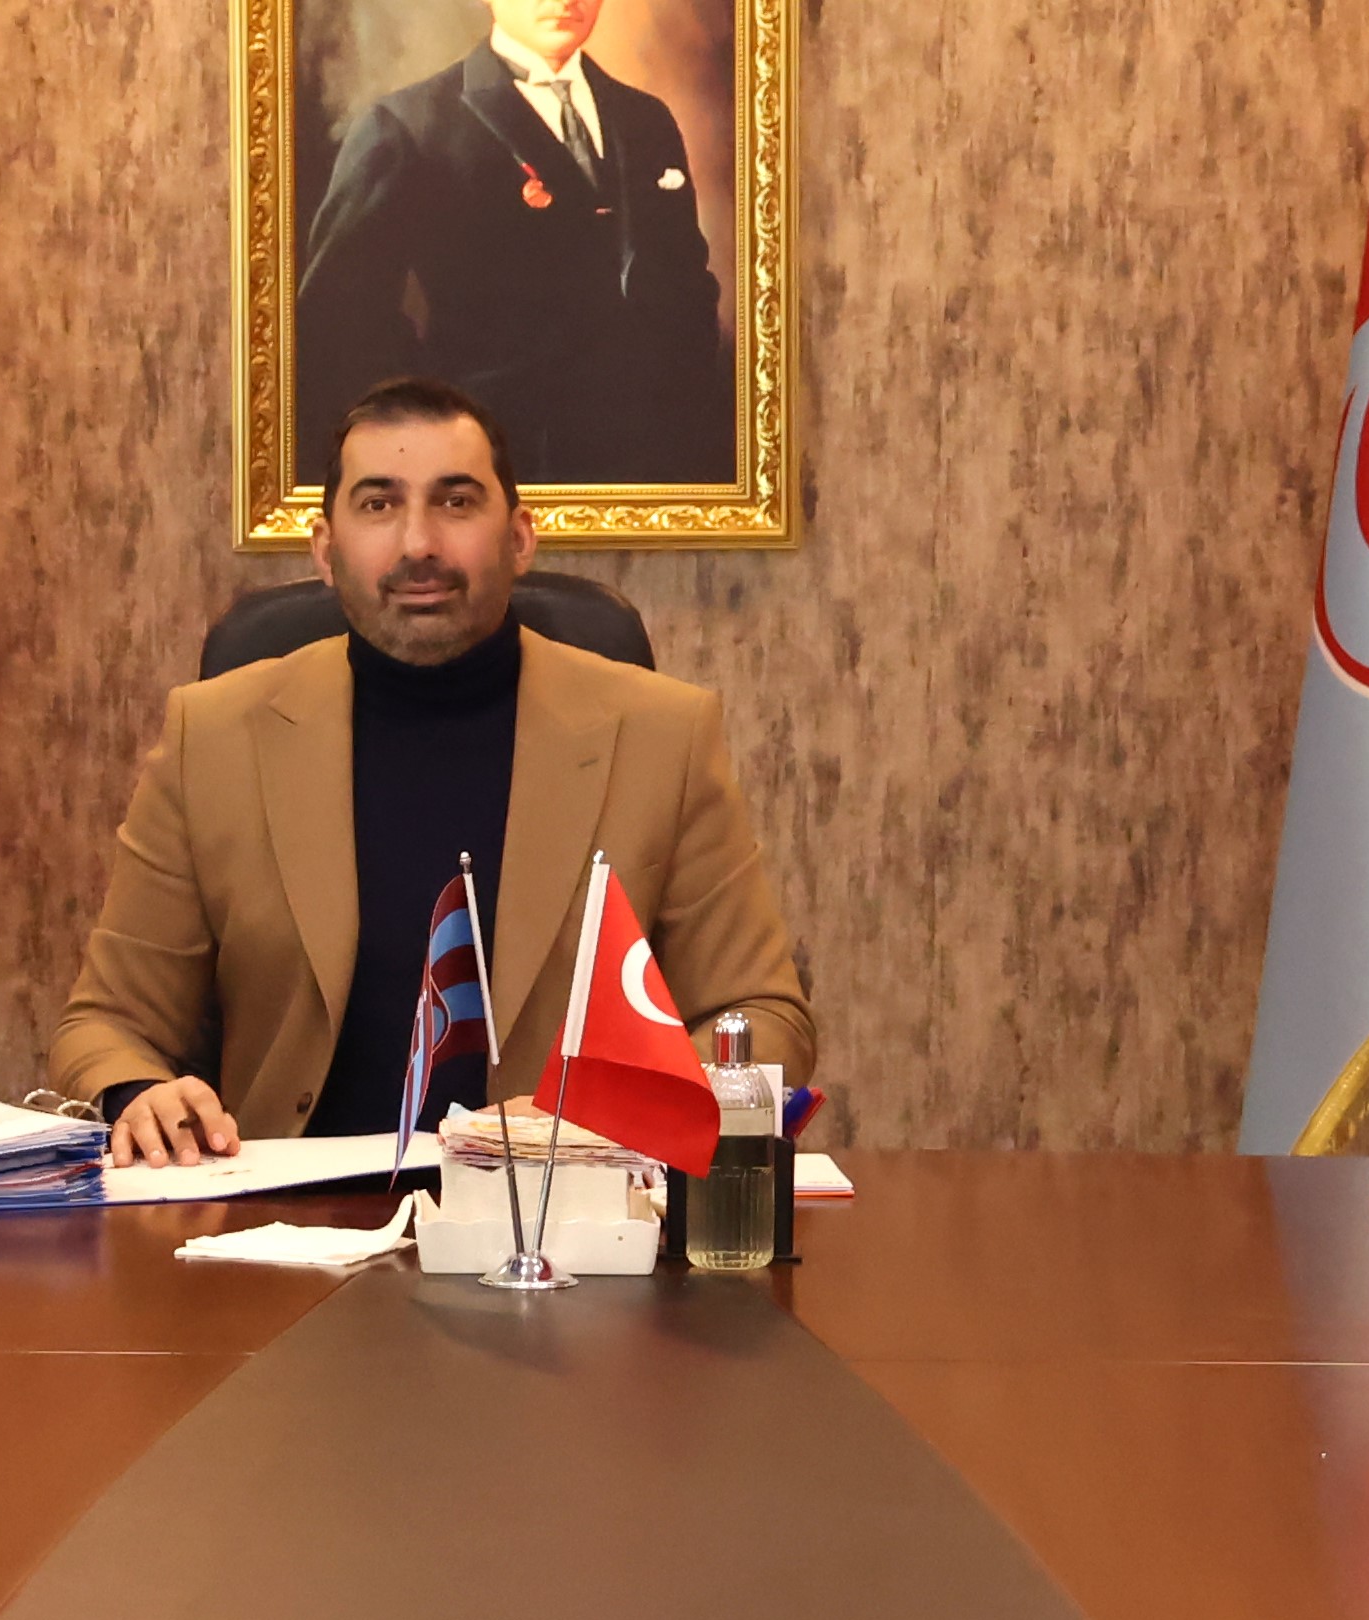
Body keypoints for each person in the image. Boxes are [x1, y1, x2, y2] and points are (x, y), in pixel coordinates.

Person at [46, 377, 810, 1167]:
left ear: (520, 537)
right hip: (281, 1218)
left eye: (456, 502)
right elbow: (108, 1024)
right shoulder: (212, 737)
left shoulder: (662, 736)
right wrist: (137, 1092)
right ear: (324, 548)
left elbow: (762, 1017)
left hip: (557, 1215)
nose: (418, 543)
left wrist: (597, 1110)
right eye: (378, 504)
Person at [290, 0, 734, 485]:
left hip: (656, 465)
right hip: (498, 466)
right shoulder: (410, 125)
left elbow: (688, 286)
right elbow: (340, 317)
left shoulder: (646, 118)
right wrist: (435, 422)